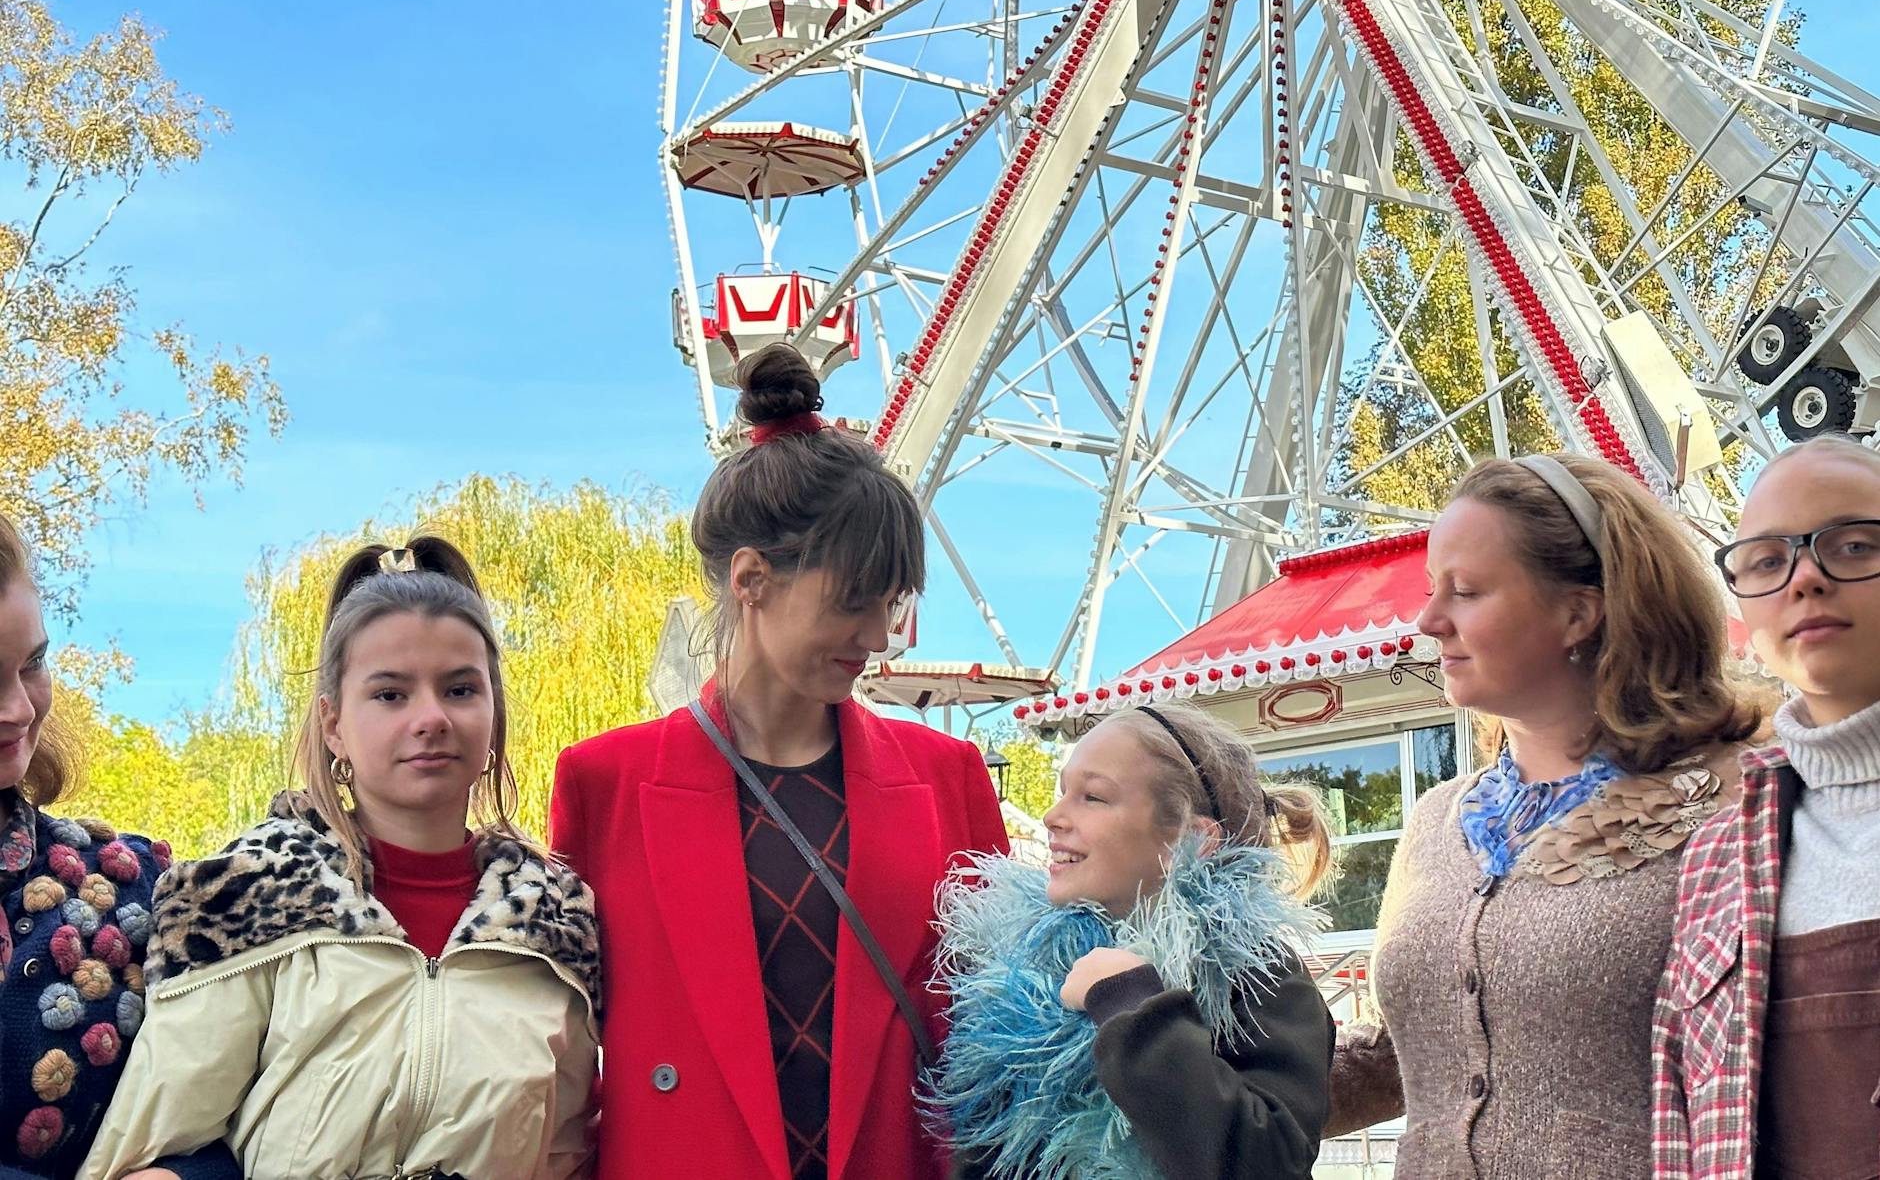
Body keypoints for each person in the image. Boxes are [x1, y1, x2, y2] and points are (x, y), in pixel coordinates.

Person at [550, 346, 1010, 1180]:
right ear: (753, 579)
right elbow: (559, 1065)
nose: (877, 636)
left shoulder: (948, 778)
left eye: (891, 601)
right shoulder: (602, 785)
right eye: (852, 600)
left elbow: (996, 1033)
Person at [83, 537, 600, 1180]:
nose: (432, 717)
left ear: (493, 714)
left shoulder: (556, 926)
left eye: (461, 689)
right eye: (390, 694)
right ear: (333, 724)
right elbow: (153, 1152)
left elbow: (567, 1156)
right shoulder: (249, 893)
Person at [1328, 453, 1762, 1179]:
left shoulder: (1728, 801)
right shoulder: (1436, 820)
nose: (1429, 620)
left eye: (1465, 591)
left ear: (1578, 612)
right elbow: (1413, 1052)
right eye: (1434, 590)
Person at [930, 702, 1336, 1180]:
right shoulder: (1028, 976)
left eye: (1093, 797)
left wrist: (1131, 1006)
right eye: (1064, 793)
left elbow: (1267, 1161)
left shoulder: (1251, 969)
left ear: (1192, 838)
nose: (1052, 816)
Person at [1652, 435, 1880, 1179]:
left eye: (1852, 544)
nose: (1807, 577)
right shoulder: (1717, 856)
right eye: (1769, 560)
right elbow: (1682, 1119)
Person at [0, 514, 235, 1180]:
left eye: (33, 663)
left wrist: (182, 1175)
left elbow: (245, 1118)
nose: (19, 707)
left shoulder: (133, 889)